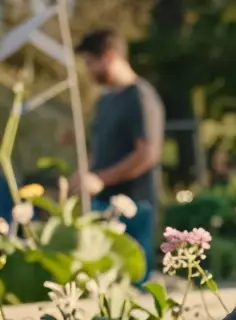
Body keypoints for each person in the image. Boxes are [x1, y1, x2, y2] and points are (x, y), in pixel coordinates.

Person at [72, 29, 165, 280]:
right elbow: (100, 148)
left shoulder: (140, 97)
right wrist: (84, 176)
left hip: (135, 207)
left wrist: (101, 179)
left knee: (135, 283)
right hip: (102, 206)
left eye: (90, 63)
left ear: (109, 56)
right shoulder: (106, 101)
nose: (88, 71)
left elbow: (147, 153)